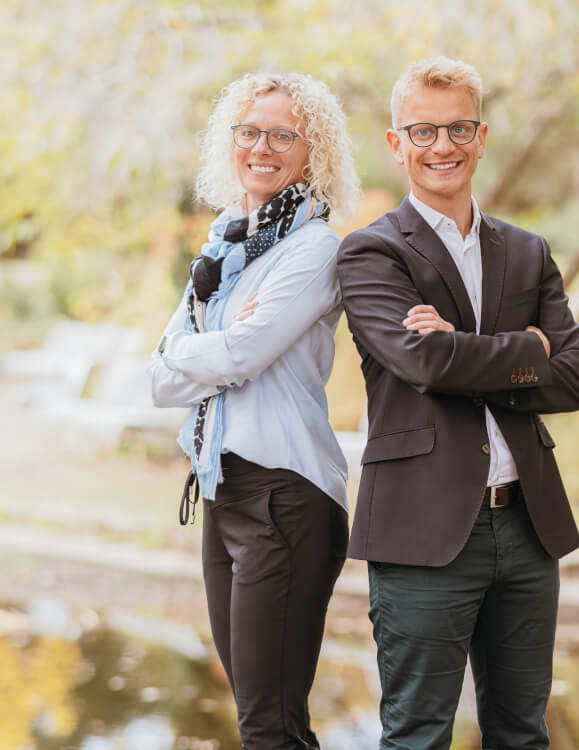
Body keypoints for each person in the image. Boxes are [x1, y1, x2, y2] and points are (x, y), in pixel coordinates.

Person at [336, 57, 579, 750]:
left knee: (522, 734)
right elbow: (424, 361)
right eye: (422, 131)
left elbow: (574, 379)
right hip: (421, 531)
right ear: (396, 144)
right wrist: (527, 349)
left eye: (457, 129)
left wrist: (462, 347)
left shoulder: (528, 251)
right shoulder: (371, 253)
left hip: (528, 526)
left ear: (481, 138)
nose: (441, 146)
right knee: (418, 736)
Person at [149, 72, 359, 749]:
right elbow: (160, 380)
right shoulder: (223, 248)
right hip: (223, 491)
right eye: (249, 132)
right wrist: (203, 350)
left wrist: (192, 349)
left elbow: (238, 355)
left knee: (268, 725)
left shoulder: (315, 249)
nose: (261, 147)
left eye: (282, 135)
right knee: (264, 720)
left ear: (313, 151)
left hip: (285, 496)